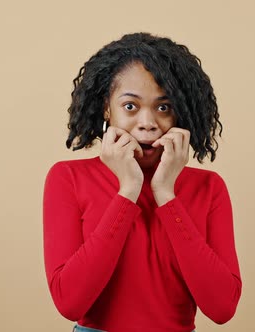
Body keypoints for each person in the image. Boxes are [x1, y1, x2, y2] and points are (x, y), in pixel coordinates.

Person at [43, 32, 242, 332]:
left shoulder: (209, 188)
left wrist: (165, 194)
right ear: (107, 109)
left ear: (180, 113)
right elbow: (69, 302)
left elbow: (222, 307)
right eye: (130, 106)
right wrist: (128, 191)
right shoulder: (67, 179)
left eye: (163, 107)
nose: (147, 122)